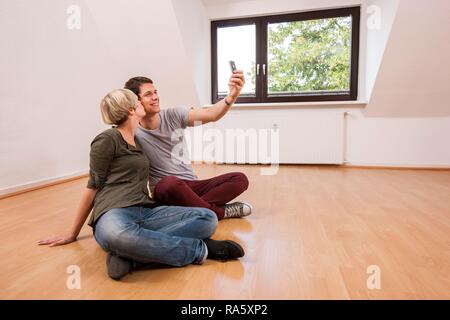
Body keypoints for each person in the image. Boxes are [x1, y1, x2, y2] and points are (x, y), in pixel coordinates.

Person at [38, 89, 245, 280]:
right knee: (117, 235)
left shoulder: (139, 140)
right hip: (113, 211)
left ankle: (132, 257)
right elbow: (92, 187)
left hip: (146, 210)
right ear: (131, 109)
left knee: (207, 218)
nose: (144, 101)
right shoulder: (107, 139)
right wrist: (72, 233)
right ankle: (200, 250)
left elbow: (209, 115)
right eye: (138, 100)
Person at [124, 70, 252, 221]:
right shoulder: (132, 130)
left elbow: (212, 114)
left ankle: (188, 209)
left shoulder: (174, 115)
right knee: (169, 183)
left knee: (240, 179)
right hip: (166, 190)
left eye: (155, 92)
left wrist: (233, 95)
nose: (155, 97)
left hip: (192, 185)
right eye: (148, 94)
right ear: (136, 101)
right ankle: (219, 213)